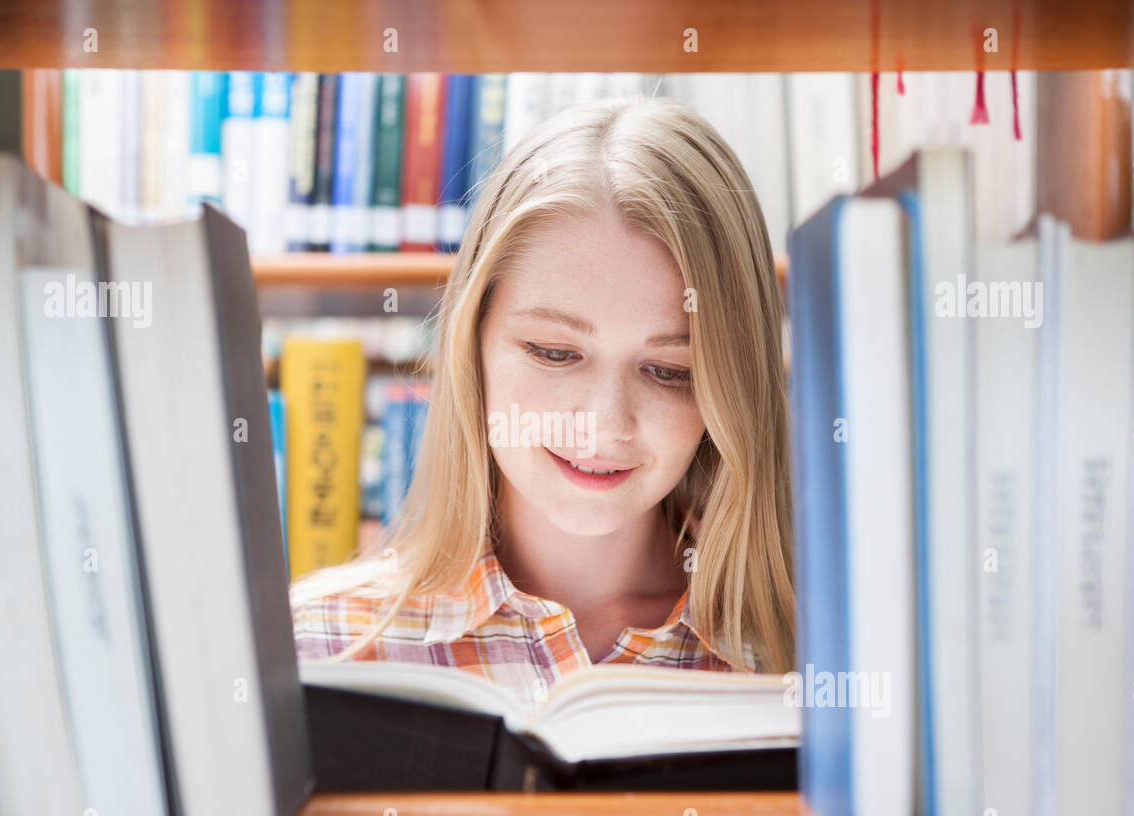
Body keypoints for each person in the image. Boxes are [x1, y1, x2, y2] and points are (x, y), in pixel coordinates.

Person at [291, 93, 794, 717]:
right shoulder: (316, 652)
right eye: (554, 353)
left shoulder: (797, 661)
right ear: (472, 344)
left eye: (670, 371)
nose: (604, 423)